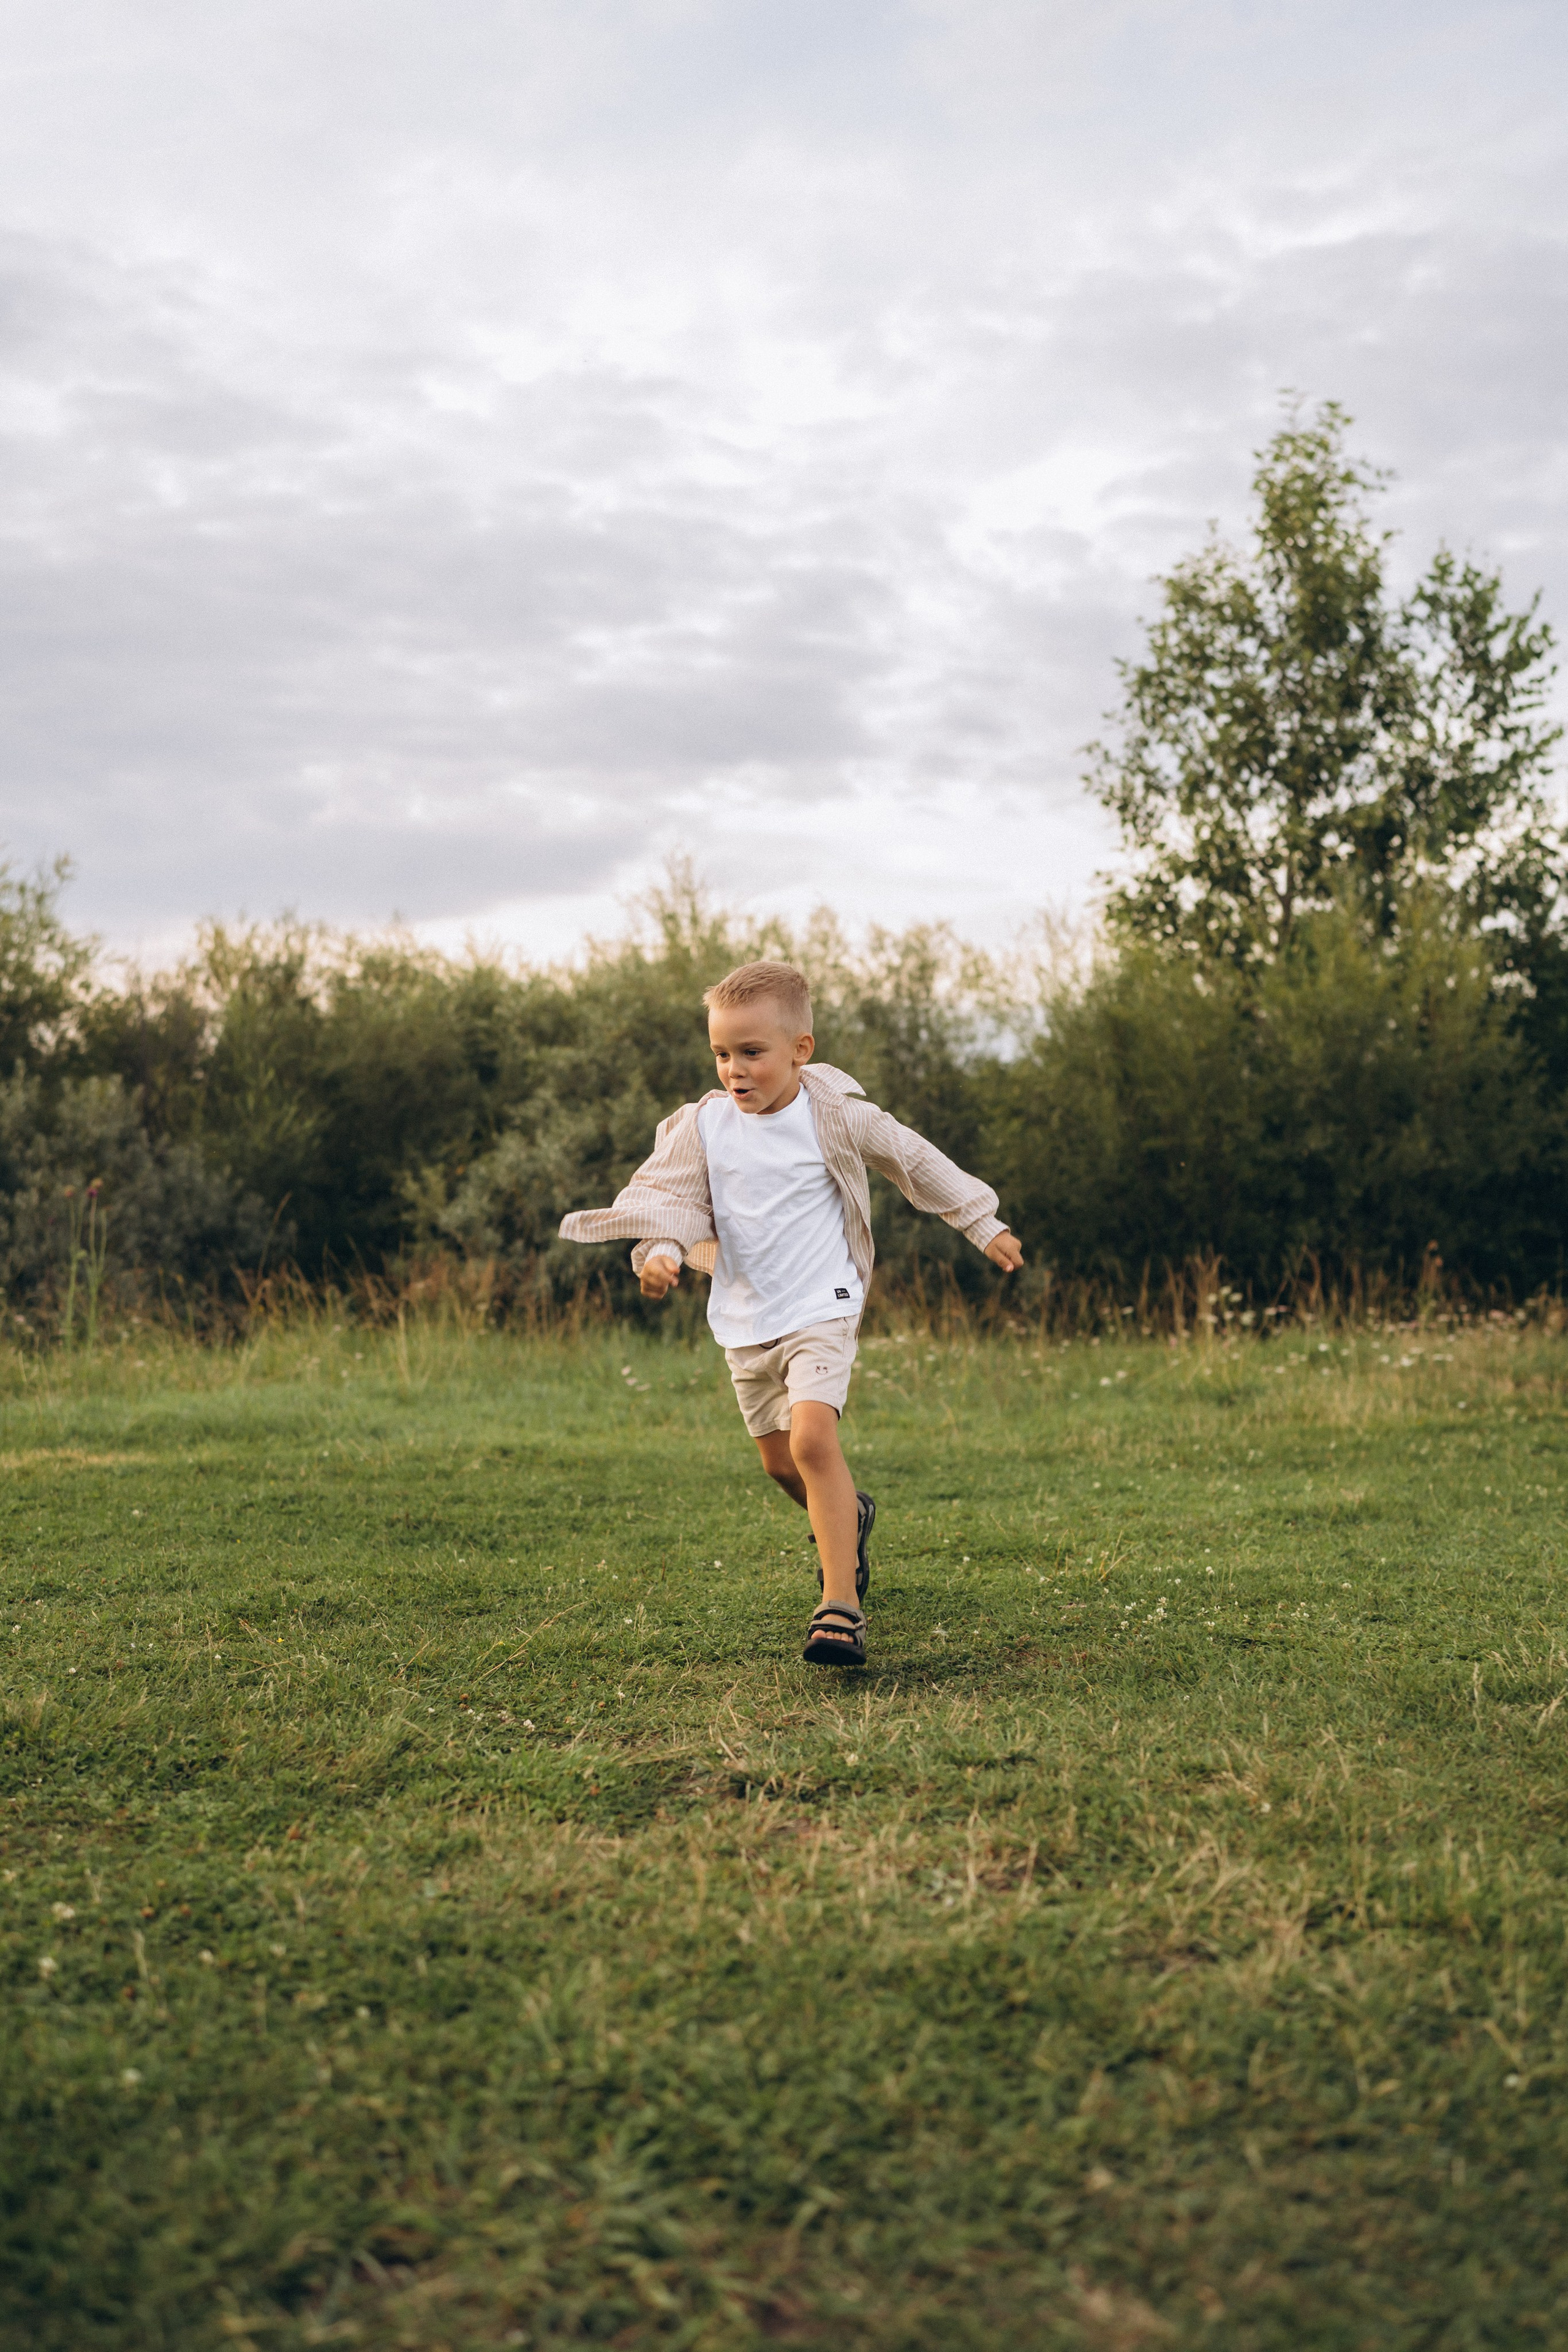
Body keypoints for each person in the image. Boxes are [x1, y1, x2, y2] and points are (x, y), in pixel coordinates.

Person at [560, 959, 1023, 1664]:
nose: (734, 1071)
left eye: (752, 1053)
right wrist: (658, 1253)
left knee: (812, 1443)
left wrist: (982, 1224)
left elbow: (915, 1160)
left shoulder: (835, 1115)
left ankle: (840, 1608)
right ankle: (852, 1515)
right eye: (721, 1054)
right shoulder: (703, 1127)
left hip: (823, 1304)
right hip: (745, 1316)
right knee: (783, 1469)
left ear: (800, 1050)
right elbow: (672, 1200)